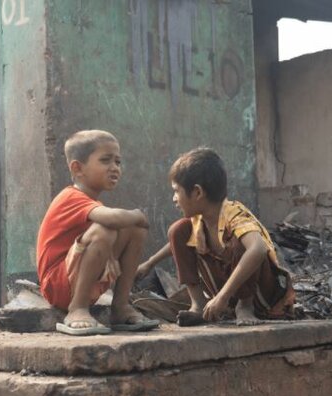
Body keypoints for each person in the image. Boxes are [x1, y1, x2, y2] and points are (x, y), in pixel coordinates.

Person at [137, 147, 294, 326]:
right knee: (177, 230)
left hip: (262, 297)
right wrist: (150, 263)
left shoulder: (235, 215)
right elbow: (175, 243)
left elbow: (257, 249)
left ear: (197, 192)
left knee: (241, 243)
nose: (174, 199)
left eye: (176, 191)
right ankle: (198, 305)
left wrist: (222, 296)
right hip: (226, 300)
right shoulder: (199, 220)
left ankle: (245, 306)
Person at [36, 129, 159, 335]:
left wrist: (129, 228)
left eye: (118, 162)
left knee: (133, 228)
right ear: (77, 168)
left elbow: (119, 223)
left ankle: (120, 307)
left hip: (86, 281)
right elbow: (111, 219)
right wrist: (138, 214)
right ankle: (77, 308)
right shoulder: (70, 197)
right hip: (57, 286)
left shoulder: (94, 203)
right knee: (108, 228)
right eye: (105, 161)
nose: (114, 168)